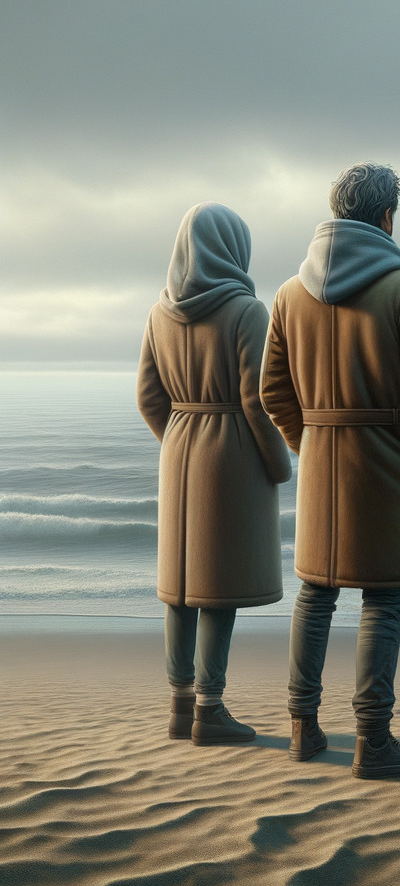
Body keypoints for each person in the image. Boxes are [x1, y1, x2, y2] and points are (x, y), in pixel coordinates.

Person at [260, 162, 400, 777]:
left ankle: (302, 729)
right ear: (387, 218)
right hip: (389, 465)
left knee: (315, 594)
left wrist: (311, 444)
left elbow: (272, 392)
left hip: (323, 465)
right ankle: (373, 742)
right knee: (384, 599)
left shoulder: (288, 296)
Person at [138, 203, 292, 745]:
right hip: (230, 456)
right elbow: (257, 401)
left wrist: (178, 438)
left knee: (180, 586)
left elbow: (148, 398)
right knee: (218, 585)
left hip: (178, 447)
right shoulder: (247, 311)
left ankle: (180, 707)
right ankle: (210, 708)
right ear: (231, 248)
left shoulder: (158, 313)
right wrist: (279, 464)